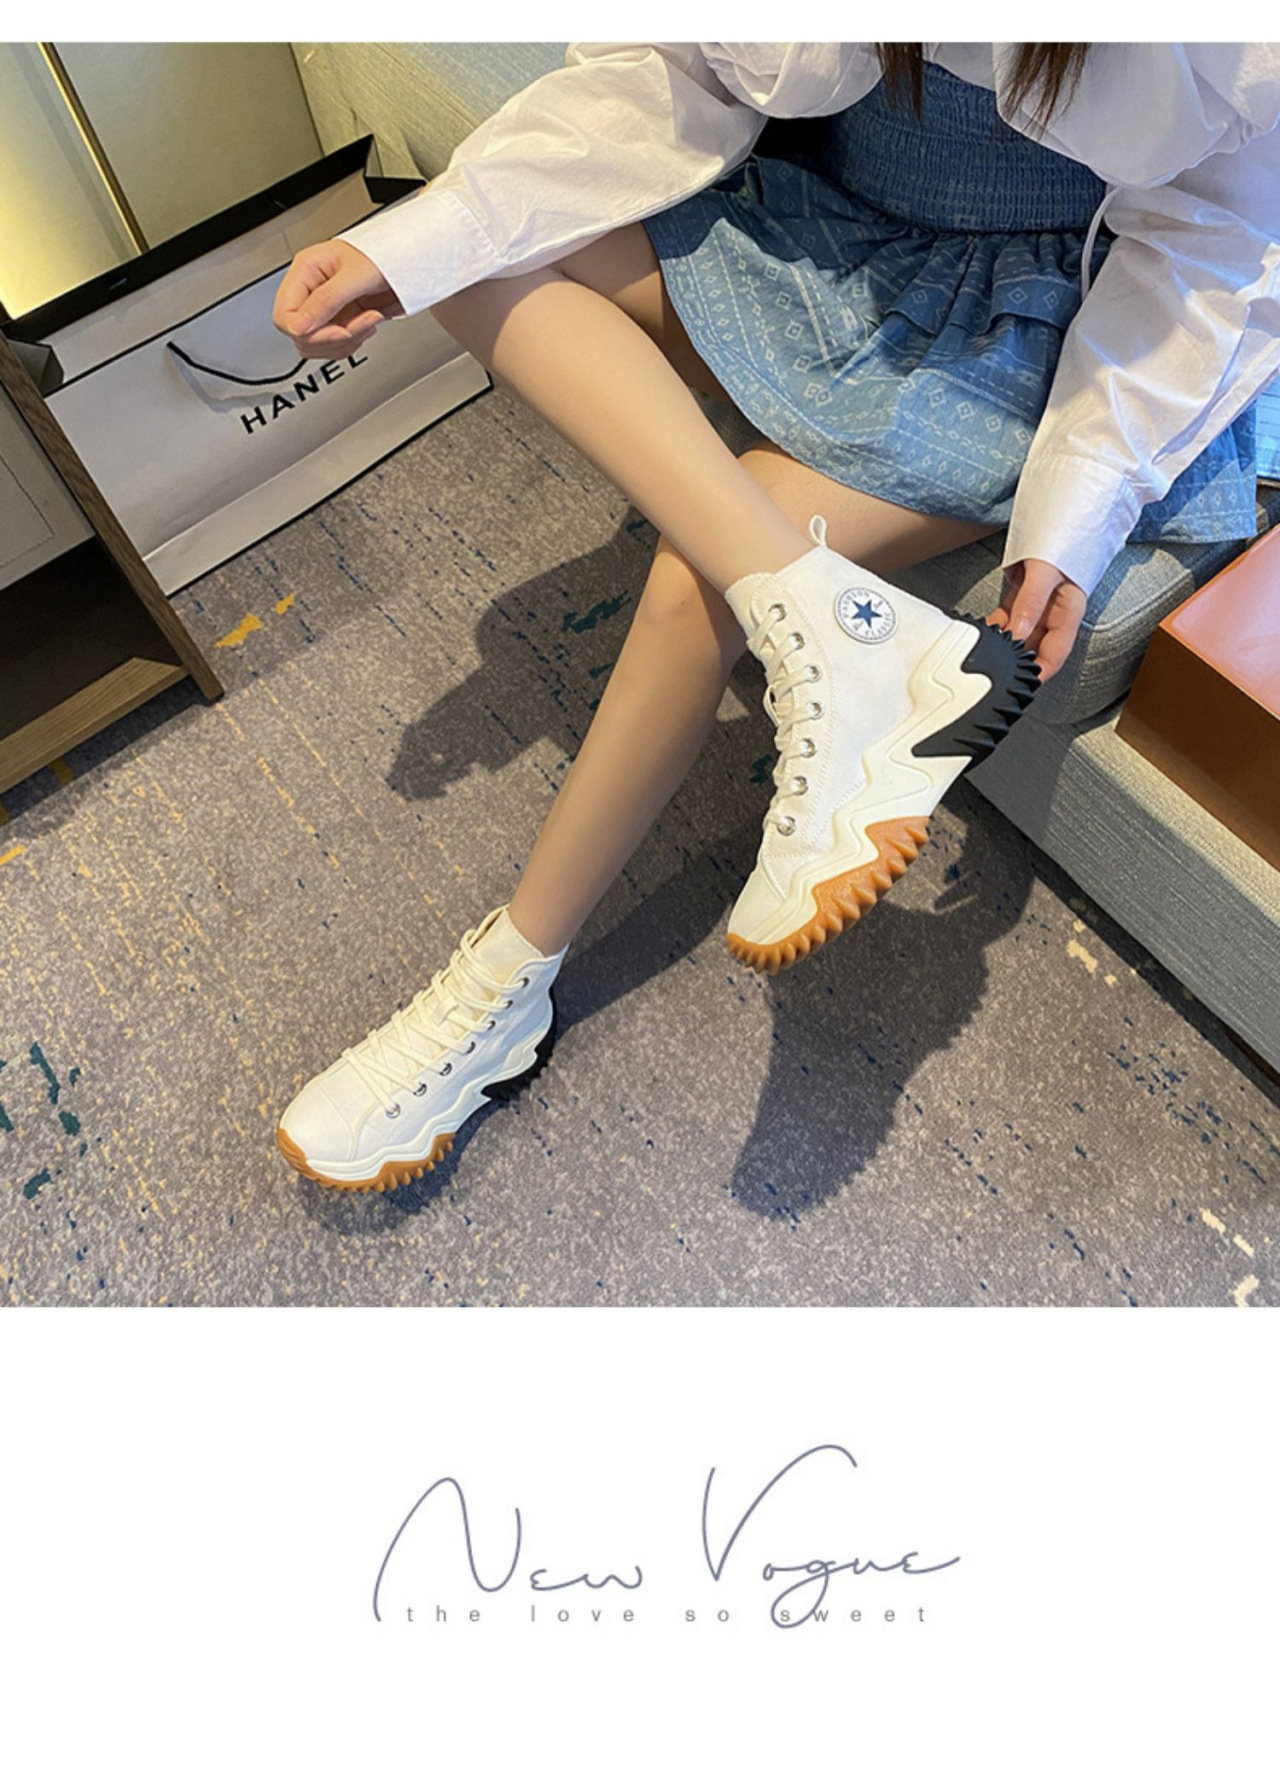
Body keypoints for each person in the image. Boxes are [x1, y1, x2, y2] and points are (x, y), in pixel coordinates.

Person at [270, 41, 1280, 1192]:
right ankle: (837, 635)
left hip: (1029, 321)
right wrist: (405, 243)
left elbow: (1212, 236)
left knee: (693, 577)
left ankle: (501, 986)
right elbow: (677, 68)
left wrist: (1077, 501)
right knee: (456, 250)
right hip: (835, 239)